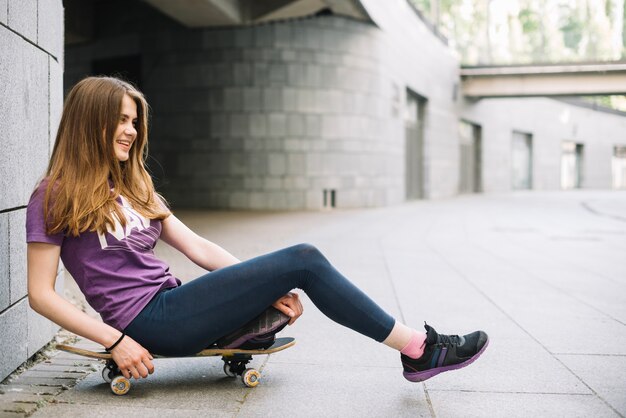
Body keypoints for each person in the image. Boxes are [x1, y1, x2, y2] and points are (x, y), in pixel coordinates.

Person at [26, 76, 488, 384]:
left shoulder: (133, 186)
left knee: (295, 268)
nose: (130, 131)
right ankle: (419, 349)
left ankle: (410, 348)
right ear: (91, 123)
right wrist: (117, 341)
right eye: (120, 121)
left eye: (133, 121)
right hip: (147, 321)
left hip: (174, 302)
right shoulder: (54, 195)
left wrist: (264, 287)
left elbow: (198, 247)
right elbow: (40, 294)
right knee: (304, 258)